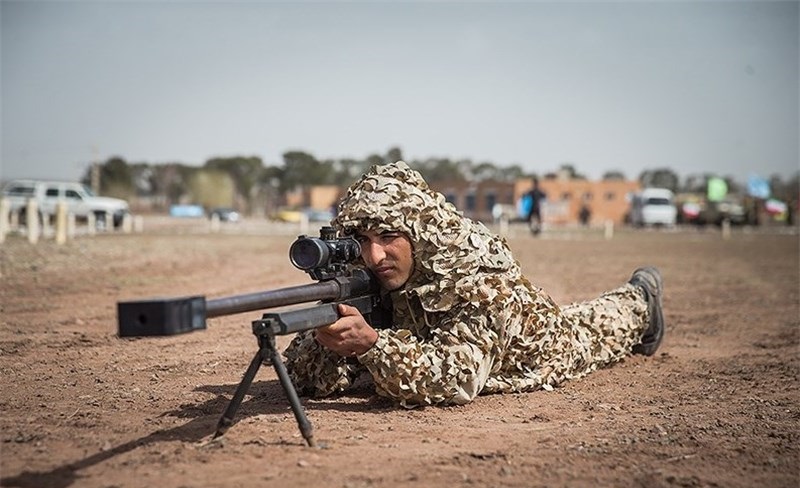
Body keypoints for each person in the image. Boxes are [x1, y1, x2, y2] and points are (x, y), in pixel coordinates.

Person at [284, 161, 665, 408]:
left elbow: (455, 379)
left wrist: (373, 344)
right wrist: (325, 337)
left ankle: (641, 297)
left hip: (539, 345)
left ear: (420, 235)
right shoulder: (370, 273)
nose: (376, 256)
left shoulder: (477, 282)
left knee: (600, 324)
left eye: (389, 236)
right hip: (457, 336)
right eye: (363, 241)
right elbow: (310, 378)